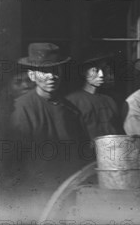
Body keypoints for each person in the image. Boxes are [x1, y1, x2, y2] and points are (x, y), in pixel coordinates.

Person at [10, 43, 90, 194]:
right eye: (44, 71)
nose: (51, 76)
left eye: (55, 70)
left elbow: (81, 148)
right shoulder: (23, 108)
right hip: (36, 189)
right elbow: (16, 157)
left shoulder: (71, 109)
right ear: (32, 75)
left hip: (68, 187)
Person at [66, 52, 121, 140]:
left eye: (103, 69)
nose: (101, 75)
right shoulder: (72, 101)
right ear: (84, 72)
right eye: (95, 70)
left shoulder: (110, 100)